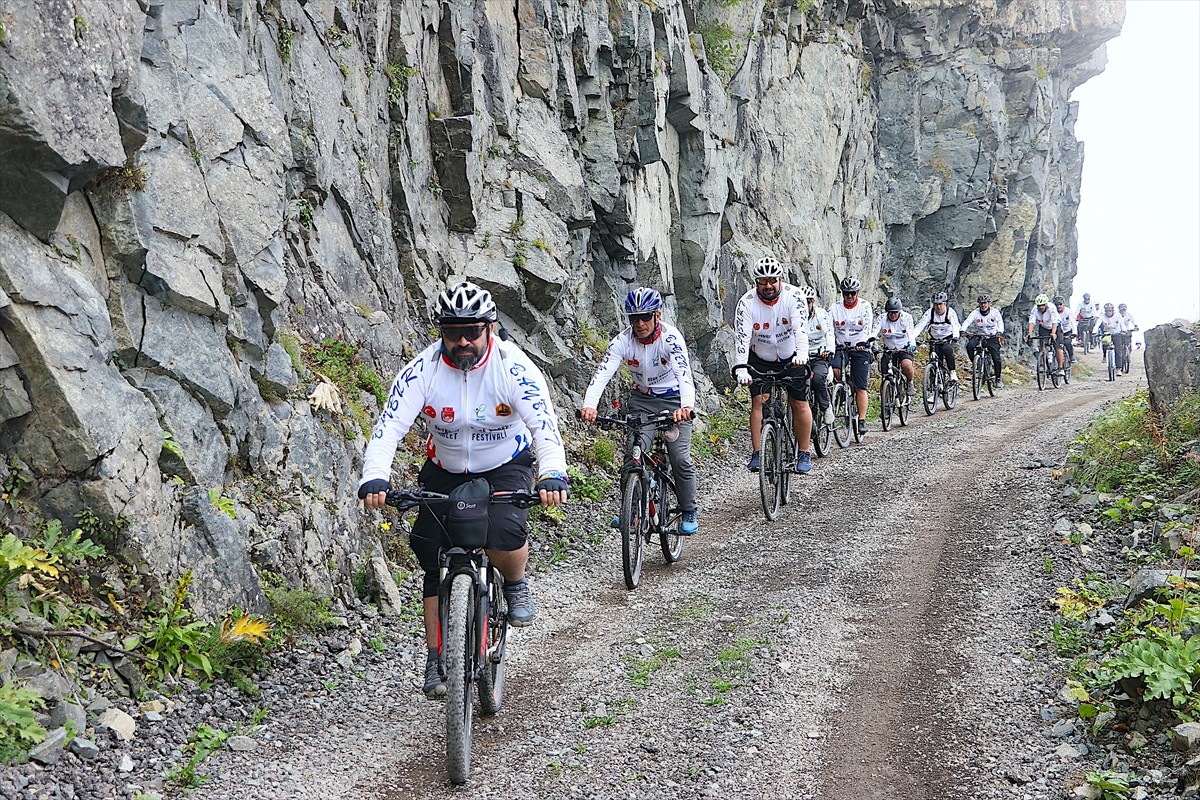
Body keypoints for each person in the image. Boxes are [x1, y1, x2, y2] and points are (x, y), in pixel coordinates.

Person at [358, 281, 569, 698]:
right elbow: (387, 429)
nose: (464, 341)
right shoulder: (423, 370)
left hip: (505, 464)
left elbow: (544, 426)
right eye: (453, 332)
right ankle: (436, 658)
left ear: (490, 328)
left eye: (473, 330)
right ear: (441, 332)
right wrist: (375, 476)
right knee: (430, 551)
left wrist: (552, 473)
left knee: (505, 531)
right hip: (445, 467)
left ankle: (514, 581)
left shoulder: (513, 367)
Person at [580, 287, 699, 534]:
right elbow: (603, 373)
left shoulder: (671, 338)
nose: (640, 323)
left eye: (646, 317)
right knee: (633, 455)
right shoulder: (623, 341)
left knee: (679, 458)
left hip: (674, 401)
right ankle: (632, 512)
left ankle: (689, 510)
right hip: (642, 401)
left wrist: (686, 407)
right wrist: (589, 405)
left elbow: (684, 374)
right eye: (634, 318)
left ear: (657, 315)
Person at [733, 256, 812, 474]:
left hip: (791, 356)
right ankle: (758, 453)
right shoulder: (747, 303)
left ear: (780, 279)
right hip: (760, 357)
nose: (768, 286)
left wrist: (802, 354)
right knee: (759, 401)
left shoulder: (794, 296)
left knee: (799, 403)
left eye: (772, 280)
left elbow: (800, 329)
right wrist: (741, 366)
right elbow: (742, 337)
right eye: (762, 281)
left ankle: (804, 452)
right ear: (756, 282)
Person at [829, 276, 874, 437]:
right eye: (846, 293)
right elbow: (828, 328)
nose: (849, 297)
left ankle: (861, 419)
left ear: (858, 293)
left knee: (861, 386)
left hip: (860, 347)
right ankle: (845, 385)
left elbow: (868, 326)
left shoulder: (864, 306)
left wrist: (864, 341)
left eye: (852, 293)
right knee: (834, 370)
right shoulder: (835, 308)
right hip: (841, 346)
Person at [802, 284, 835, 425]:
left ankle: (826, 407)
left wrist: (830, 349)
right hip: (801, 356)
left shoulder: (821, 314)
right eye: (802, 302)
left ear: (812, 302)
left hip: (819, 356)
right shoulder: (793, 315)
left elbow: (829, 332)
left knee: (817, 379)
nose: (805, 305)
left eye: (808, 302)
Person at [913, 291, 962, 383]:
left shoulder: (950, 312)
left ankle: (952, 372)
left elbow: (955, 325)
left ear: (945, 304)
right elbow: (920, 326)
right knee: (933, 359)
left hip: (948, 338)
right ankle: (934, 386)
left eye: (940, 304)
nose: (938, 307)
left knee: (947, 349)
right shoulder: (930, 313)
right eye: (936, 304)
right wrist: (912, 338)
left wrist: (955, 337)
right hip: (934, 339)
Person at [873, 297, 918, 394]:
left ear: (899, 311)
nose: (893, 315)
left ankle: (910, 382)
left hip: (904, 349)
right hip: (889, 350)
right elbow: (874, 333)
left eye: (895, 312)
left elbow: (911, 333)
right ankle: (887, 400)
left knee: (906, 366)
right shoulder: (882, 318)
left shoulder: (906, 318)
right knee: (885, 375)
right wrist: (870, 344)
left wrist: (912, 345)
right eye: (890, 312)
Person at [961, 294, 1005, 387]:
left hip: (992, 336)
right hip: (979, 335)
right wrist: (963, 330)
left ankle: (998, 378)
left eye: (985, 303)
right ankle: (976, 365)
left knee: (996, 357)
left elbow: (1000, 323)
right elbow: (968, 321)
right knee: (970, 346)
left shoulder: (994, 312)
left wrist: (999, 332)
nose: (983, 305)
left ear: (989, 303)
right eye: (981, 303)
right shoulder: (975, 313)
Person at [1026, 293, 1064, 375]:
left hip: (1055, 326)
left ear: (1046, 304)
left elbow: (1054, 321)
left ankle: (1060, 368)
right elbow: (1032, 321)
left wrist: (1053, 333)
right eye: (1039, 305)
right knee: (1042, 346)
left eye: (1042, 305)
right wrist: (1029, 333)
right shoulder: (1035, 309)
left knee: (1057, 346)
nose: (1040, 307)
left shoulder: (1052, 308)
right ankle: (1042, 365)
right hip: (1043, 327)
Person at [1093, 302, 1126, 369]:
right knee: (1104, 343)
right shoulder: (1102, 316)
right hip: (1107, 332)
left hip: (1116, 333)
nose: (1109, 312)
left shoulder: (1117, 315)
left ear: (1113, 310)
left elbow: (1122, 323)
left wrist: (1124, 330)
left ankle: (1118, 368)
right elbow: (1097, 324)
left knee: (1118, 350)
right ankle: (1104, 355)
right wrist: (1094, 332)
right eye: (1107, 311)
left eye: (1110, 311)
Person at [1053, 296, 1076, 364]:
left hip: (1067, 331)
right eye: (1056, 305)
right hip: (1058, 331)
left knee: (1067, 343)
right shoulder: (1054, 312)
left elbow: (1073, 322)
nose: (1058, 306)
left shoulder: (1068, 311)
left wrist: (1074, 333)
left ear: (1063, 304)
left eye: (1060, 304)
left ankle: (1071, 356)